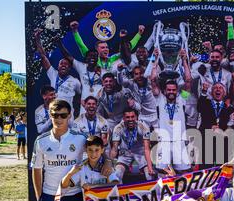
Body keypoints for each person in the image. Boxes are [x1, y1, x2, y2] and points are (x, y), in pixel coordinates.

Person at [150, 48, 193, 176]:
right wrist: (155, 59)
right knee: (162, 172)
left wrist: (184, 60)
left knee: (183, 172)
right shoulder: (160, 99)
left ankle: (182, 194)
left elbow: (189, 81)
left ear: (177, 91)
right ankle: (162, 194)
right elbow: (152, 80)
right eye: (169, 90)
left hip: (179, 141)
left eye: (173, 90)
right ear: (165, 91)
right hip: (164, 141)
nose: (171, 92)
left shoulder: (182, 99)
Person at [35, 29, 82, 112]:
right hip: (53, 113)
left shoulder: (75, 82)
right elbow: (43, 56)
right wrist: (37, 38)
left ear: (70, 68)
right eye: (61, 63)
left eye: (66, 64)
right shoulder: (53, 73)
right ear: (58, 66)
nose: (63, 65)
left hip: (67, 116)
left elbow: (80, 96)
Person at [70, 21, 144, 73]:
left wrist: (139, 34)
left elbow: (128, 49)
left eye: (107, 47)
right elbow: (81, 45)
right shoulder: (93, 59)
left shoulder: (113, 58)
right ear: (97, 50)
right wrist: (75, 31)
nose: (106, 49)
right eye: (102, 48)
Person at [110, 108, 155, 181]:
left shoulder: (143, 127)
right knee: (117, 173)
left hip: (140, 153)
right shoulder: (118, 128)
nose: (130, 119)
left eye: (132, 116)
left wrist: (150, 167)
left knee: (149, 174)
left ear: (136, 117)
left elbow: (147, 149)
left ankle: (151, 192)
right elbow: (114, 149)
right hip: (125, 154)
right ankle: (119, 191)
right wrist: (110, 166)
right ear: (123, 118)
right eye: (127, 117)